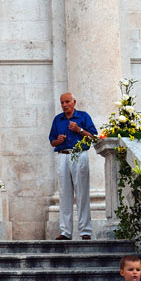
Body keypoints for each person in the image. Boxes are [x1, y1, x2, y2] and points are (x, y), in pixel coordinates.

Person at [48, 92, 98, 240]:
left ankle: (85, 231)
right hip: (62, 155)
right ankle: (65, 231)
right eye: (62, 102)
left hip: (79, 154)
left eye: (67, 102)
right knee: (64, 194)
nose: (64, 105)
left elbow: (94, 137)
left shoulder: (83, 117)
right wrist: (58, 140)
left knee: (82, 193)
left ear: (74, 102)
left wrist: (79, 130)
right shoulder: (58, 119)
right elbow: (52, 142)